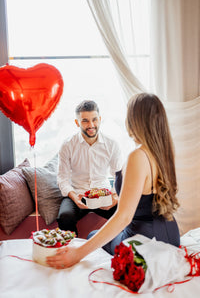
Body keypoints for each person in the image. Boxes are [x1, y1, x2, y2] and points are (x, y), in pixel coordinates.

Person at [47, 93, 180, 269]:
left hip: (144, 241)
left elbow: (124, 217)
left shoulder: (137, 156)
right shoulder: (163, 153)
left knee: (91, 236)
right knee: (77, 223)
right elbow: (62, 178)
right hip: (171, 236)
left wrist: (77, 254)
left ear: (135, 120)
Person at [56, 100, 123, 235]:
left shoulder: (112, 144)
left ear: (99, 119)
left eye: (94, 120)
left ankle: (119, 249)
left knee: (126, 213)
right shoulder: (67, 145)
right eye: (85, 121)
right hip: (78, 194)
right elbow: (62, 178)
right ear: (77, 123)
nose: (91, 125)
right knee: (65, 218)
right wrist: (74, 197)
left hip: (103, 195)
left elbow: (119, 175)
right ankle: (73, 251)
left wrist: (115, 196)